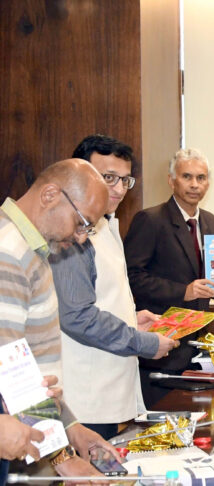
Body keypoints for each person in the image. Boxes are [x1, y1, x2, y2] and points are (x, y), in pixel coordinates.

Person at [0, 159, 122, 483]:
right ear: (50, 195)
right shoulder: (8, 252)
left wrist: (70, 427)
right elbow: (9, 373)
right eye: (81, 223)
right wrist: (63, 458)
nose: (81, 238)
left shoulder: (31, 251)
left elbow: (34, 365)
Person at [49, 135, 178, 440]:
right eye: (109, 178)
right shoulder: (71, 234)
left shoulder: (106, 225)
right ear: (79, 174)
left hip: (110, 391)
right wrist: (144, 343)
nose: (119, 189)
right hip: (83, 401)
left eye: (125, 180)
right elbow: (77, 316)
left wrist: (134, 320)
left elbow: (105, 297)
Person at [124, 148, 214, 407]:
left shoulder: (211, 222)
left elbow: (208, 280)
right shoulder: (150, 220)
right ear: (172, 180)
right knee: (162, 425)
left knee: (196, 423)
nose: (195, 184)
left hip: (197, 347)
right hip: (161, 346)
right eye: (187, 177)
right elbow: (132, 278)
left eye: (201, 178)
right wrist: (183, 291)